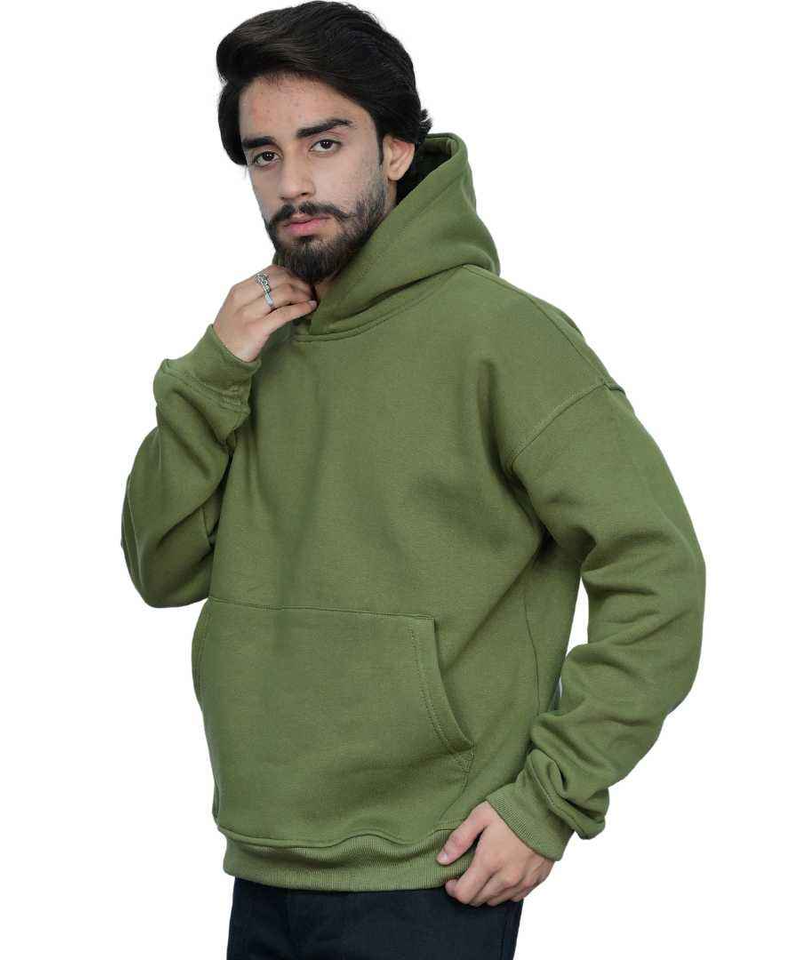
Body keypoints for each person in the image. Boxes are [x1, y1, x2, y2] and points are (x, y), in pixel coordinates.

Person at [120, 3, 707, 957]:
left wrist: (550, 798)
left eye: (324, 143)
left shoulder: (503, 339)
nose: (292, 182)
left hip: (431, 870)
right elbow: (161, 567)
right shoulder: (252, 349)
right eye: (265, 155)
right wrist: (208, 377)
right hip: (264, 853)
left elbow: (659, 572)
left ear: (395, 149)